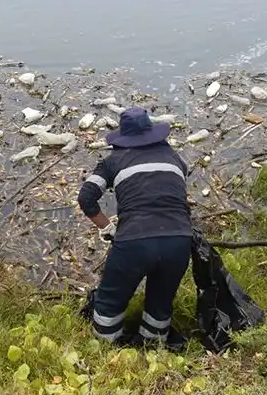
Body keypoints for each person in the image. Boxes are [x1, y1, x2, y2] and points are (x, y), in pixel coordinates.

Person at [76, 107, 193, 348]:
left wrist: (107, 228)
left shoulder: (113, 161)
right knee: (161, 302)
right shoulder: (173, 157)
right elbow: (180, 179)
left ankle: (105, 349)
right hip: (180, 240)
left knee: (110, 300)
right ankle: (152, 348)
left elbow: (86, 197)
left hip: (134, 241)